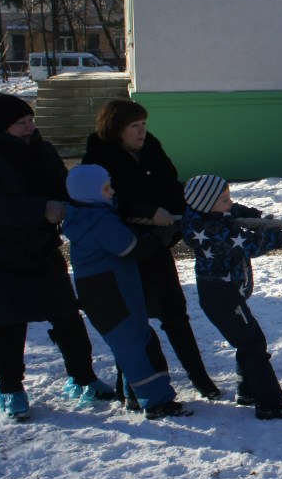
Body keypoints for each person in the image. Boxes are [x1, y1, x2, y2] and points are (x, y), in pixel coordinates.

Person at [0, 94, 114, 421]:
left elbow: (62, 186)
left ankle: (83, 378)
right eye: (21, 123)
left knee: (67, 314)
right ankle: (10, 389)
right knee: (8, 322)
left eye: (31, 120)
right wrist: (41, 209)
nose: (30, 127)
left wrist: (86, 198)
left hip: (38, 247)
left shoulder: (40, 149)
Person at [82, 99, 220, 403]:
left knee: (175, 313)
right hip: (122, 252)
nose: (142, 130)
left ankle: (199, 377)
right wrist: (145, 210)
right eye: (134, 126)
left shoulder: (152, 150)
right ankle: (131, 385)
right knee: (132, 322)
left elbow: (171, 187)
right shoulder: (97, 159)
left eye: (143, 124)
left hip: (157, 244)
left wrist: (200, 203)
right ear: (116, 129)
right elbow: (99, 203)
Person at [61, 164, 191, 419]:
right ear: (90, 194)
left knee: (137, 340)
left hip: (110, 292)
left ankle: (136, 395)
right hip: (110, 295)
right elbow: (132, 248)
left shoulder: (93, 214)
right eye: (106, 188)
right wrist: (160, 235)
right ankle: (156, 402)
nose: (112, 192)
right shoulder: (98, 221)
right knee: (135, 346)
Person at [180, 174, 282, 420]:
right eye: (224, 199)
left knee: (246, 340)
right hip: (220, 295)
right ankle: (270, 404)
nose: (230, 203)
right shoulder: (210, 231)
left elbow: (236, 211)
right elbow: (252, 244)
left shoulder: (212, 212)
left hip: (227, 291)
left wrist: (260, 219)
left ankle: (248, 390)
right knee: (252, 343)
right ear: (206, 204)